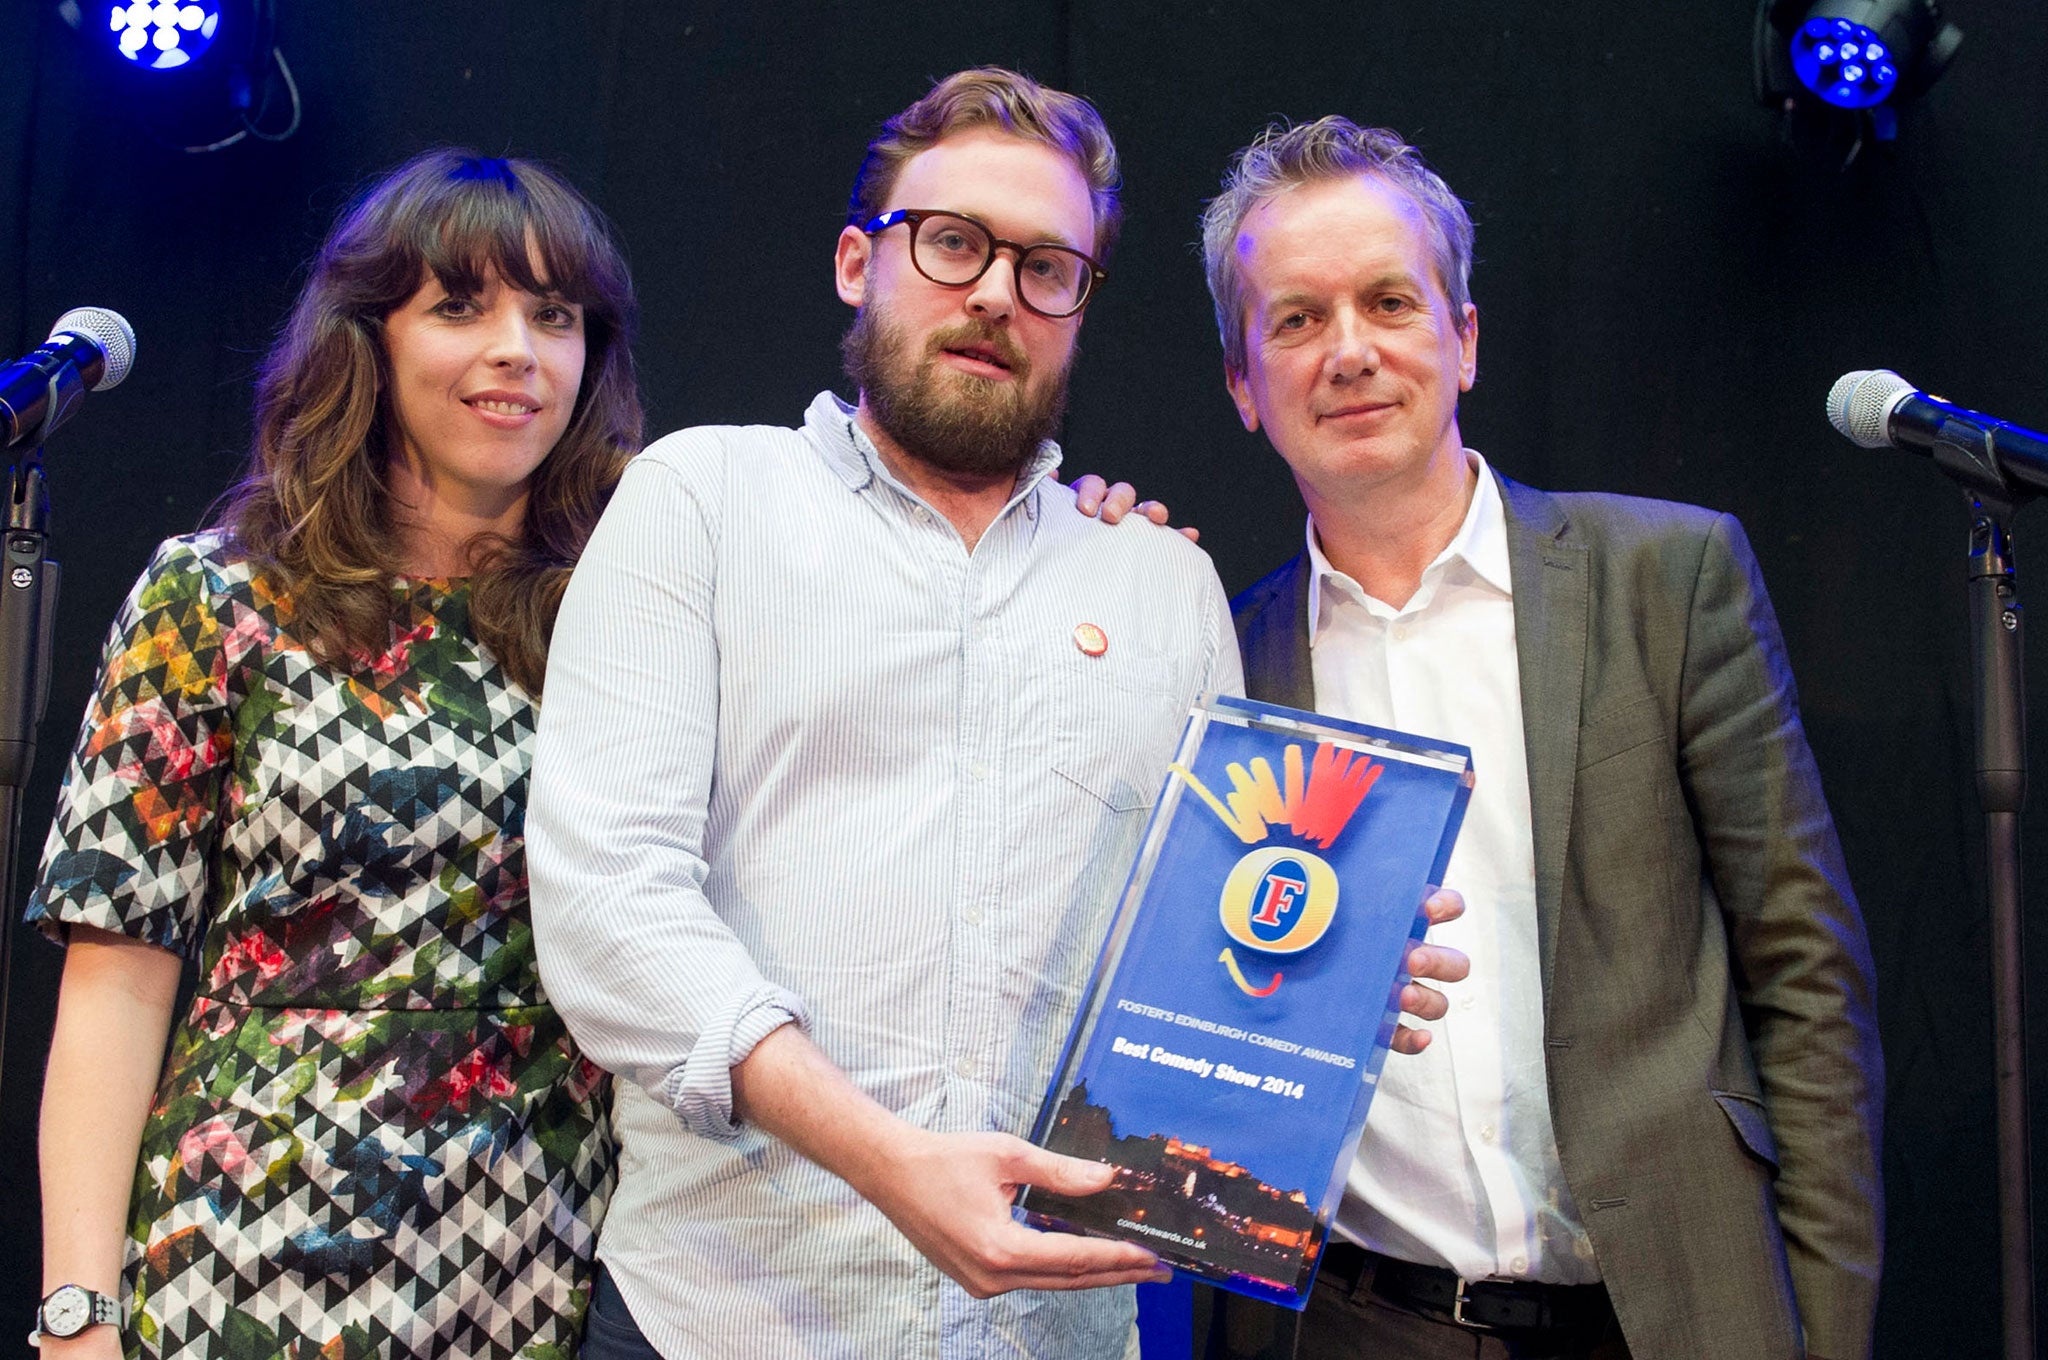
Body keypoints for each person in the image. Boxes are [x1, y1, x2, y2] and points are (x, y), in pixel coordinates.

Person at [525, 69, 1466, 1360]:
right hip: (727, 1318)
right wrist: (890, 1161)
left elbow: (1218, 944)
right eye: (953, 242)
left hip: (1061, 1334)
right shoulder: (699, 502)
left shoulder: (1156, 583)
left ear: (1082, 305)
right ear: (860, 260)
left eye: (1046, 267)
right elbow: (609, 907)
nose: (992, 295)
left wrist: (1331, 970)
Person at [1196, 118, 1884, 1360]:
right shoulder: (1213, 661)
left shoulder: (1663, 578)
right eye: (1294, 320)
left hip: (1672, 1319)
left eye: (1389, 301)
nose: (1346, 351)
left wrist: (1824, 1331)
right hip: (1355, 1324)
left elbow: (1808, 982)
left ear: (1462, 339)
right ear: (1243, 386)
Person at [28, 149, 643, 1359]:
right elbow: (116, 980)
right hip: (241, 1258)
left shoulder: (638, 606)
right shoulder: (216, 592)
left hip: (536, 1267)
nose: (518, 346)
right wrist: (75, 1315)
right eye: (461, 305)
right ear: (369, 337)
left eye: (555, 314)